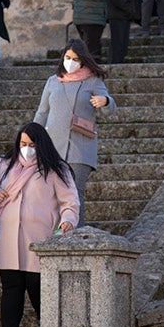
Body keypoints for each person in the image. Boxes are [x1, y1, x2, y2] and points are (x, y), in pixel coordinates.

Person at [0, 122, 80, 327]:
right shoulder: (6, 164)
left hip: (39, 241)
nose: (27, 149)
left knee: (40, 293)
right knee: (11, 293)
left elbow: (70, 201)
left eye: (32, 145)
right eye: (23, 144)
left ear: (41, 145)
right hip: (8, 240)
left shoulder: (56, 169)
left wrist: (67, 221)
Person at [33, 38, 116, 225]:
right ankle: (57, 235)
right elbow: (42, 112)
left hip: (81, 147)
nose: (70, 62)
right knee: (53, 193)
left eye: (76, 59)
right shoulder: (52, 81)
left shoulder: (93, 80)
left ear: (83, 61)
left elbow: (110, 108)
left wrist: (105, 101)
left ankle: (76, 236)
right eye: (68, 57)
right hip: (53, 147)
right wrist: (32, 138)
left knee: (74, 193)